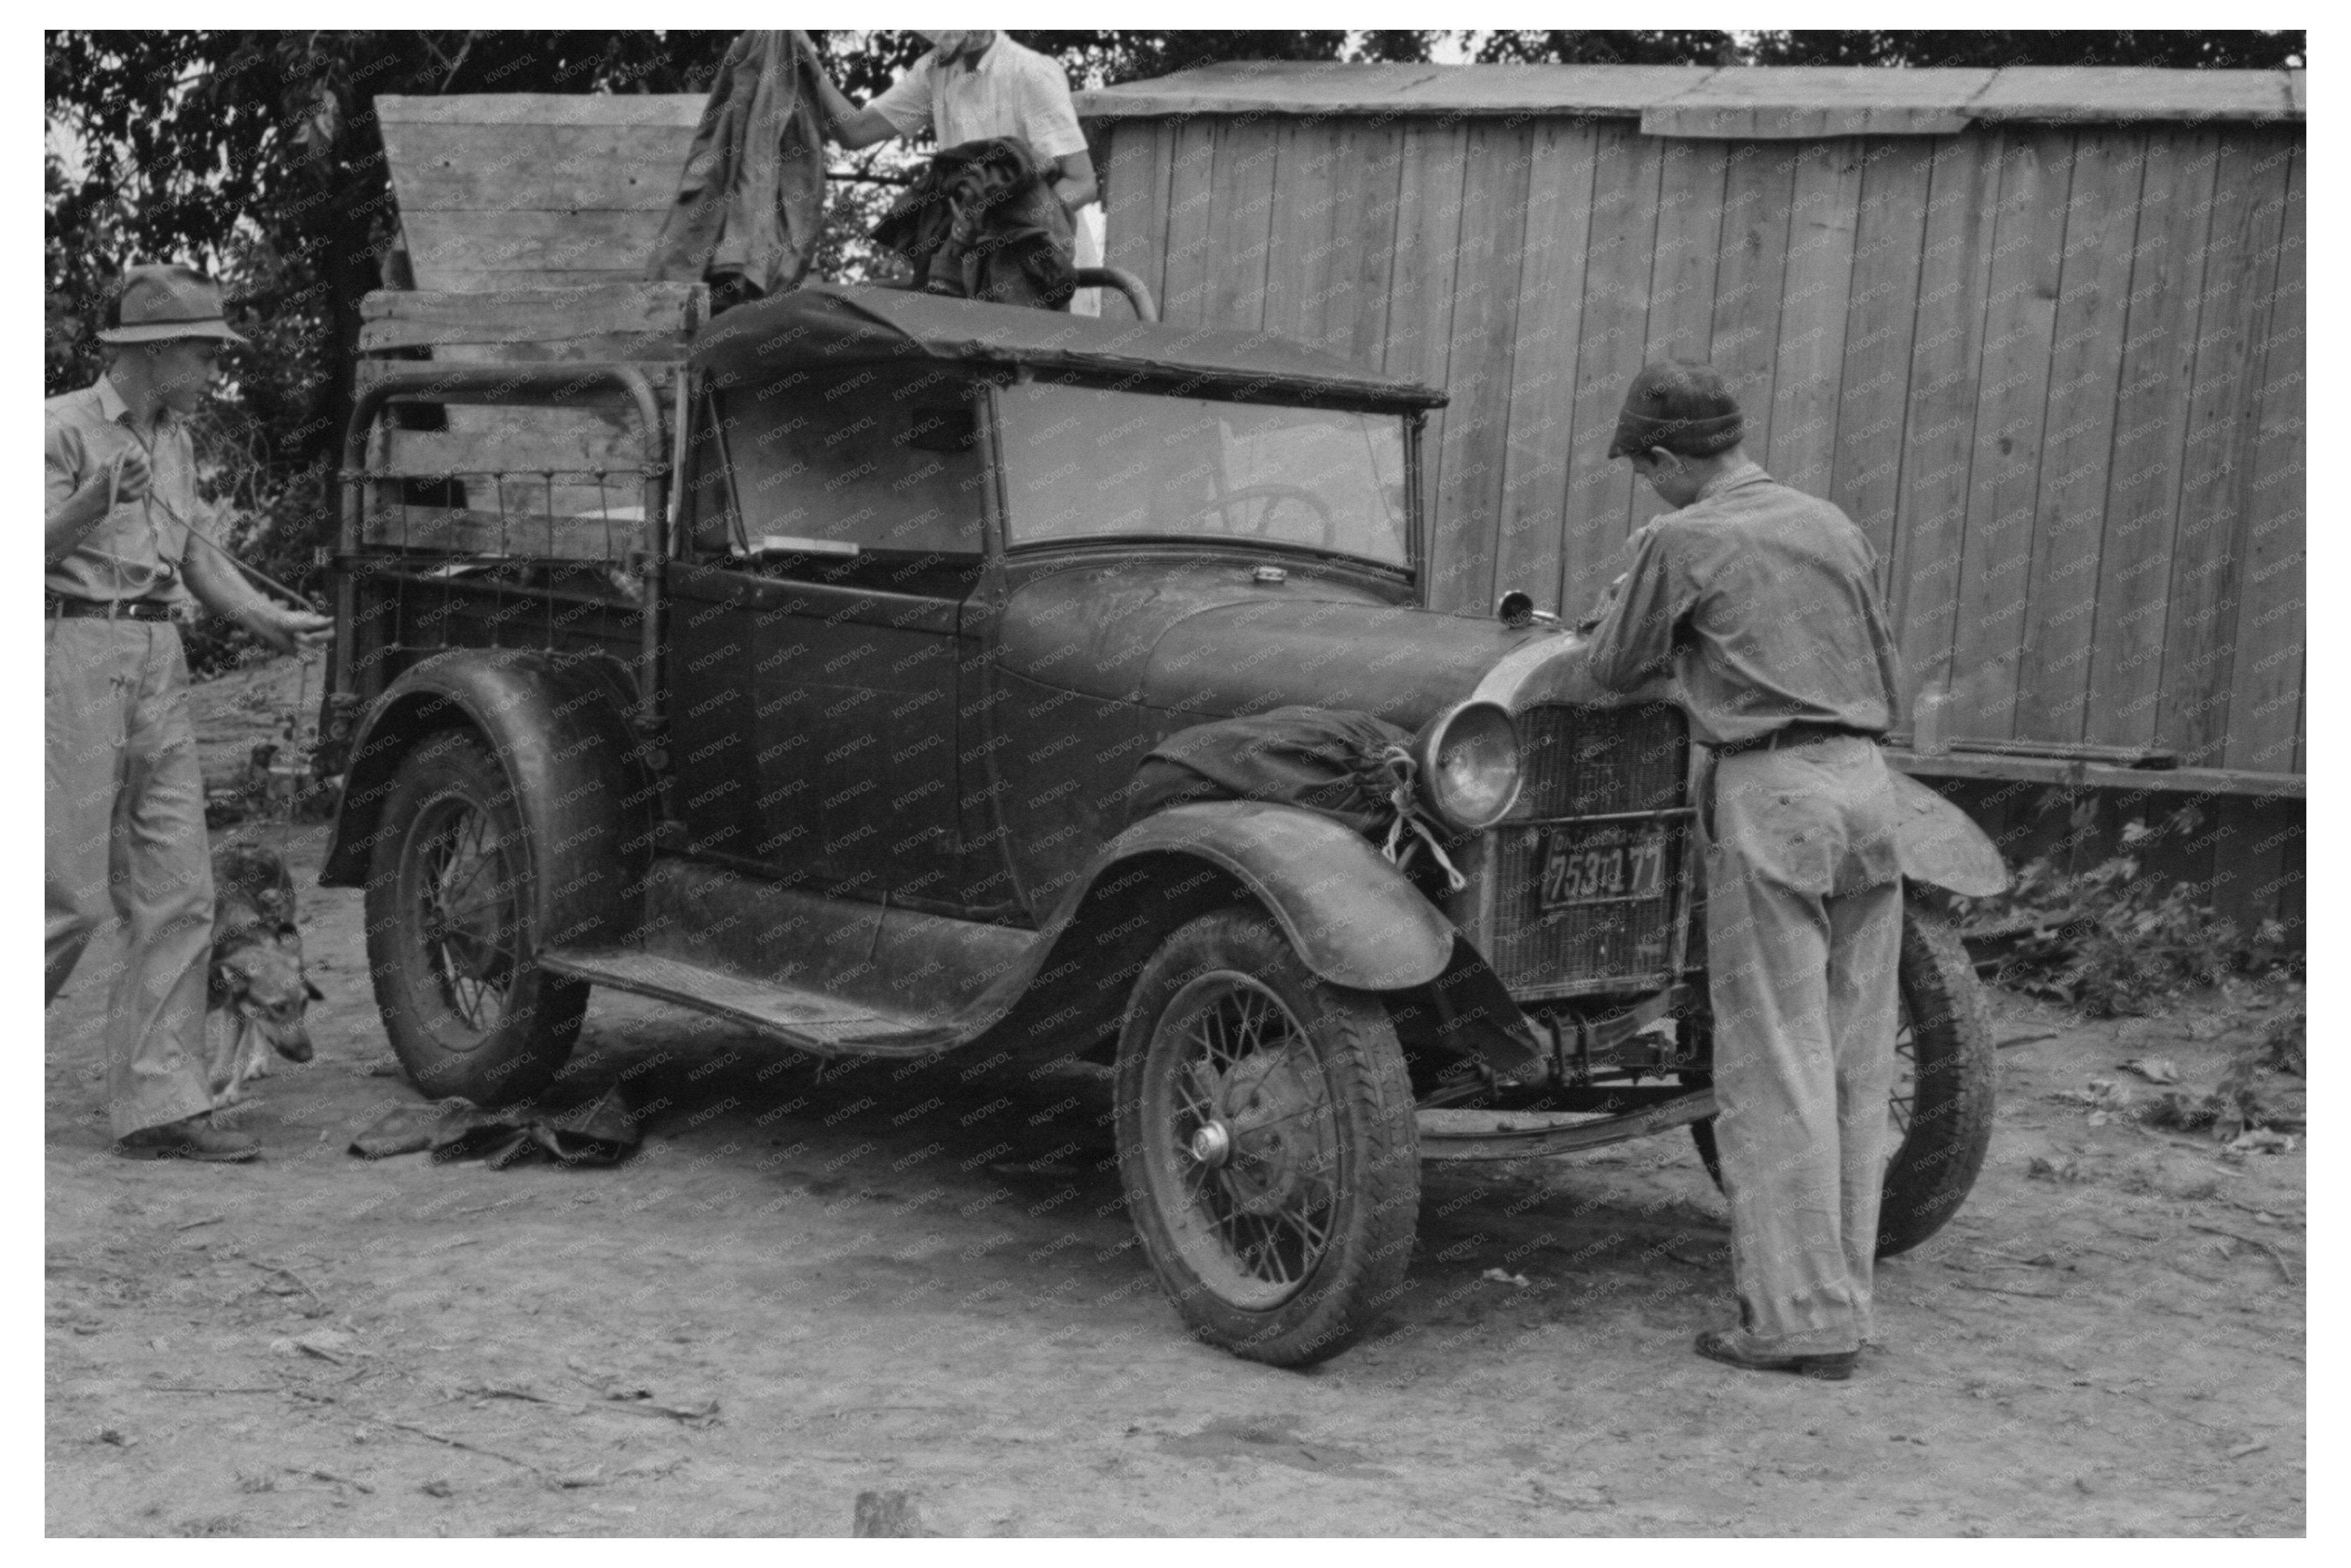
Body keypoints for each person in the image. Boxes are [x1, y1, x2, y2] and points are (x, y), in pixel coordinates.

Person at [1576, 362, 1906, 1381]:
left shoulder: (1683, 537)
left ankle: (1793, 1324)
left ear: (1670, 459)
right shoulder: (1828, 522)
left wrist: (1660, 617)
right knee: (1855, 1061)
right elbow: (1880, 664)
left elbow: (1607, 668)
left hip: (1773, 794)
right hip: (1868, 786)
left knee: (1773, 1064)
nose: (1647, 484)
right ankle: (1841, 1304)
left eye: (1644, 468)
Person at [45, 263, 333, 1162]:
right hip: (71, 651)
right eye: (204, 354)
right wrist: (88, 505)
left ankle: (161, 1103)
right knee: (67, 898)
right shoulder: (54, 429)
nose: (213, 373)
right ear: (154, 350)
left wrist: (261, 616)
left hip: (158, 656)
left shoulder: (176, 440)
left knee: (181, 894)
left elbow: (196, 556)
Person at [803, 29, 1106, 311]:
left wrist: (999, 225)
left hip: (1045, 270)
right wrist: (806, 57)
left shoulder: (1030, 72)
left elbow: (1082, 182)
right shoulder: (936, 70)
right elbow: (855, 131)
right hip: (972, 271)